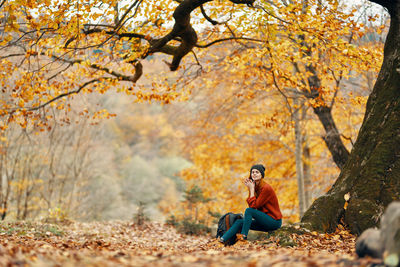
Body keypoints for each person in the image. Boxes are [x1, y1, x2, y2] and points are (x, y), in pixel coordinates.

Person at [219, 164, 282, 244]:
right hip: (264, 221)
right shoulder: (255, 187)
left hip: (274, 221)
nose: (254, 174)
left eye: (257, 172)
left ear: (261, 175)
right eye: (252, 172)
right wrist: (251, 189)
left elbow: (253, 207)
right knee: (239, 222)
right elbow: (252, 207)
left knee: (248, 211)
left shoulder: (266, 188)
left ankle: (243, 238)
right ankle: (222, 240)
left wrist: (251, 189)